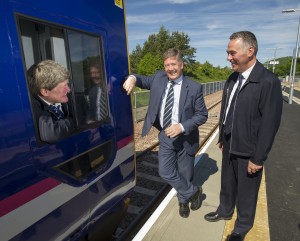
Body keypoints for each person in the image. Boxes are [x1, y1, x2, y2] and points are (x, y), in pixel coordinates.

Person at [204, 31, 282, 241]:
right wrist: (222, 135)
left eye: (232, 53)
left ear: (250, 51)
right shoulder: (232, 79)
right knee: (227, 183)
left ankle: (242, 226)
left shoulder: (268, 81)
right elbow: (226, 110)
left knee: (247, 191)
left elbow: (270, 124)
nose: (228, 57)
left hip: (250, 149)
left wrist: (258, 158)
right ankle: (225, 210)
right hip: (230, 142)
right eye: (227, 53)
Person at [123, 48, 208, 218]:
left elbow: (202, 115)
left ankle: (183, 201)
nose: (170, 68)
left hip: (186, 138)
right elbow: (140, 78)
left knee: (185, 173)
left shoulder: (194, 87)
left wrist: (182, 126)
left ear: (182, 64)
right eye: (167, 65)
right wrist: (132, 78)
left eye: (174, 64)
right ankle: (193, 192)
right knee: (165, 171)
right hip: (166, 136)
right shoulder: (158, 78)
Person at [27, 60, 75, 143]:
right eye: (64, 87)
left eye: (67, 84)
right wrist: (76, 121)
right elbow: (51, 134)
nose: (69, 90)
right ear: (45, 92)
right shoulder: (31, 108)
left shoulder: (71, 98)